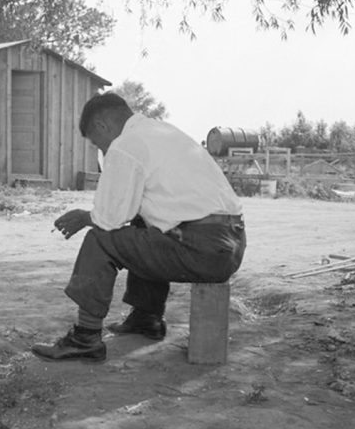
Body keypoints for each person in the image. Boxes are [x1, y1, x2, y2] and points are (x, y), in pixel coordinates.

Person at [32, 92, 246, 362]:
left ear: (102, 126)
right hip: (231, 243)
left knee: (100, 238)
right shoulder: (161, 131)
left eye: (97, 143)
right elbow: (134, 212)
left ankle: (85, 336)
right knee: (142, 224)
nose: (102, 151)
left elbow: (108, 220)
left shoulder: (126, 144)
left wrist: (84, 217)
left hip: (202, 248)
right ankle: (147, 317)